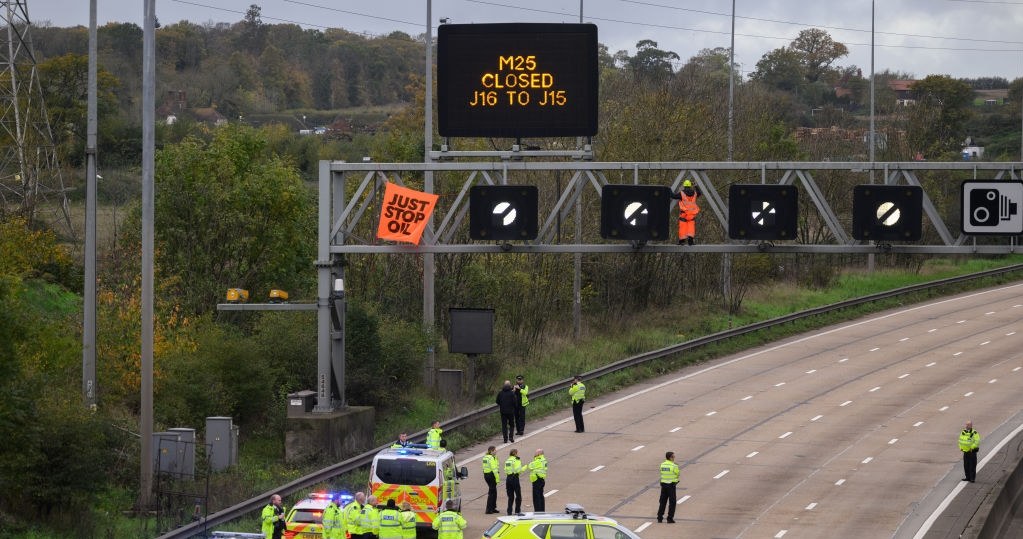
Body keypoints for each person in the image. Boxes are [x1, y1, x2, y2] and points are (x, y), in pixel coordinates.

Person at [671, 179, 700, 245]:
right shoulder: (694, 193)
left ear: (684, 186)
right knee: (691, 228)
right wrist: (696, 186)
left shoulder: (681, 193)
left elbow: (673, 196)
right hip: (691, 215)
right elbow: (699, 193)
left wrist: (669, 190)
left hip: (684, 215)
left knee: (683, 227)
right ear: (690, 186)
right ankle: (690, 241)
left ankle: (682, 241)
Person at [656, 451, 679, 523]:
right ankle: (670, 518)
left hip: (663, 485)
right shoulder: (674, 466)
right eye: (673, 457)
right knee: (672, 502)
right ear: (670, 457)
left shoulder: (662, 465)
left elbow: (661, 472)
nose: (674, 458)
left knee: (662, 501)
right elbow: (677, 474)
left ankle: (659, 517)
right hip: (671, 485)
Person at [504, 448, 523, 515]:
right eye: (517, 453)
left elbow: (505, 470)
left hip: (508, 478)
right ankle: (517, 511)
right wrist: (523, 468)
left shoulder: (507, 460)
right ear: (515, 453)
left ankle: (509, 511)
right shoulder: (516, 460)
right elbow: (518, 470)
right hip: (515, 478)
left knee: (510, 497)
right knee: (518, 495)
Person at [482, 445, 501, 514]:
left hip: (486, 475)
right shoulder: (491, 458)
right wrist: (497, 479)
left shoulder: (486, 457)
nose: (496, 451)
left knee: (494, 491)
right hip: (491, 475)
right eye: (495, 450)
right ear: (491, 451)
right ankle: (488, 509)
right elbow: (494, 469)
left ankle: (493, 507)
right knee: (492, 492)